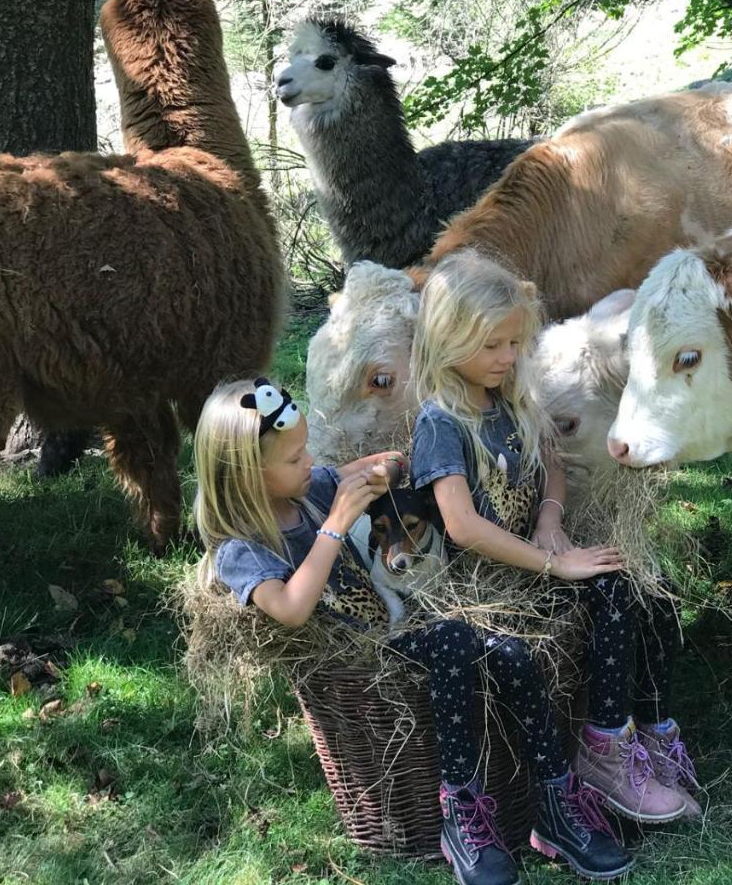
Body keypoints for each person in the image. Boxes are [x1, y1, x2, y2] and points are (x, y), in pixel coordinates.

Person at [194, 376, 633, 885]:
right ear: (246, 474)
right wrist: (335, 524)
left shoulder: (312, 486)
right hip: (361, 653)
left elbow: (390, 462)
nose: (309, 462)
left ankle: (557, 800)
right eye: (294, 459)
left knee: (512, 653)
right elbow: (291, 609)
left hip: (404, 624)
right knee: (453, 638)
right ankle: (461, 811)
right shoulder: (241, 549)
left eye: (306, 449)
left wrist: (388, 470)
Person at [410, 252, 702, 832]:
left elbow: (553, 463)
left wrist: (549, 517)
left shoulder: (507, 397)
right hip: (486, 581)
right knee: (611, 593)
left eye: (515, 343)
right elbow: (464, 528)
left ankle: (649, 733)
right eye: (493, 344)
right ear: (449, 339)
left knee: (649, 594)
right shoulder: (441, 423)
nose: (508, 357)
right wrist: (554, 564)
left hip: (534, 557)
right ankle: (605, 749)